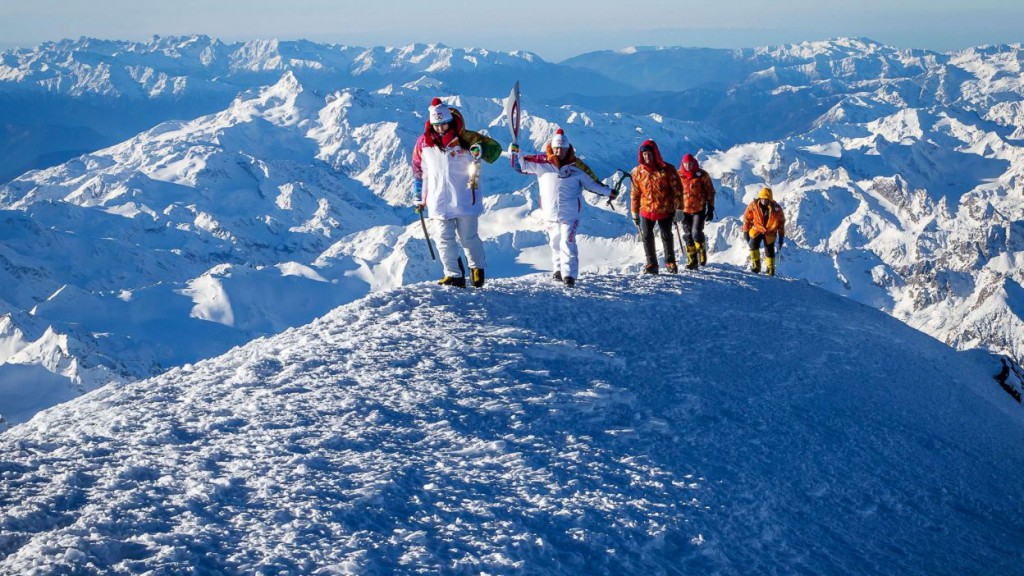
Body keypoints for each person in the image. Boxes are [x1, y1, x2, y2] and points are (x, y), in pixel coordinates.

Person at [412, 97, 502, 287]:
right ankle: (454, 275)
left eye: (444, 124)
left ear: (450, 122)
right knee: (444, 239)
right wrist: (419, 198)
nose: (440, 128)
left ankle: (476, 268)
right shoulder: (423, 144)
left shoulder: (465, 138)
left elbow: (494, 151)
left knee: (468, 238)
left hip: (464, 199)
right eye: (437, 125)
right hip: (437, 200)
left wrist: (480, 149)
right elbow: (418, 171)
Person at [510, 128, 617, 287]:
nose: (559, 151)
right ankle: (558, 271)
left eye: (563, 149)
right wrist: (515, 152)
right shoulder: (542, 166)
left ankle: (569, 275)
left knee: (568, 241)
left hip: (571, 214)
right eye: (556, 148)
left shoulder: (576, 169)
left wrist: (609, 192)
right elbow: (522, 166)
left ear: (568, 149)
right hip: (550, 214)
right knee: (555, 242)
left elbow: (592, 185)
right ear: (552, 148)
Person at [630, 140, 683, 274]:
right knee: (647, 237)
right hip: (646, 209)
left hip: (665, 209)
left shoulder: (667, 169)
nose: (647, 157)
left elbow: (677, 190)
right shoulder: (638, 172)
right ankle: (651, 264)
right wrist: (634, 212)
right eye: (645, 154)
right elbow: (635, 193)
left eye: (649, 154)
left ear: (655, 154)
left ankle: (670, 262)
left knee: (666, 236)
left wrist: (679, 209)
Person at [677, 153, 717, 269]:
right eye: (686, 164)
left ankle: (701, 250)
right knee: (688, 235)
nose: (688, 166)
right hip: (684, 210)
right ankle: (692, 260)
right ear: (682, 164)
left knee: (696, 233)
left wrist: (710, 208)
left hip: (699, 209)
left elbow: (710, 191)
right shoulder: (679, 175)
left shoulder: (702, 175)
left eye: (690, 163)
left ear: (694, 163)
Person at [742, 187, 786, 276]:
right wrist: (746, 231)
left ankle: (770, 269)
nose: (764, 201)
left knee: (769, 250)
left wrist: (781, 237)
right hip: (757, 229)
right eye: (762, 199)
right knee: (753, 245)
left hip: (770, 232)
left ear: (770, 200)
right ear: (759, 198)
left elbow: (781, 224)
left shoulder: (776, 209)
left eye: (766, 199)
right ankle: (756, 266)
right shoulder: (753, 205)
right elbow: (747, 218)